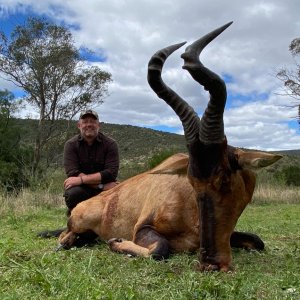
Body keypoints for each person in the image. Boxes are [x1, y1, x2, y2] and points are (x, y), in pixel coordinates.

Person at [63, 109, 119, 215]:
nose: (89, 124)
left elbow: (111, 173)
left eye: (93, 121)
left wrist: (81, 180)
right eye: (85, 122)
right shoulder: (70, 145)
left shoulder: (111, 144)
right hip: (90, 188)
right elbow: (73, 173)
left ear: (98, 125)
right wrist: (100, 186)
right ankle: (75, 218)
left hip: (108, 188)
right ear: (79, 125)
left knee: (121, 193)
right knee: (72, 194)